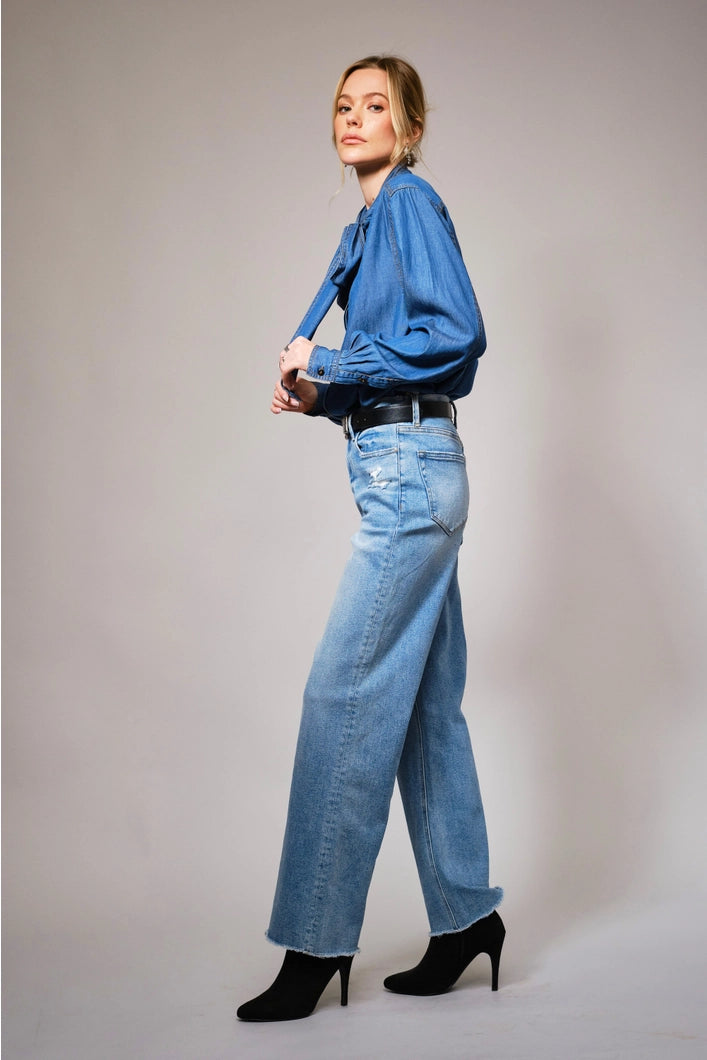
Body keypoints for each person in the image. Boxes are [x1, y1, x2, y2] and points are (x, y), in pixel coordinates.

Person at [237, 55, 504, 1023]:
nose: (354, 118)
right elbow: (392, 370)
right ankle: (466, 916)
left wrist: (335, 355)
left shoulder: (406, 205)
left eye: (375, 104)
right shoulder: (364, 226)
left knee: (342, 694)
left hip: (408, 480)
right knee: (426, 717)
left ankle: (312, 942)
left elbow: (458, 335)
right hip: (397, 464)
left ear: (412, 124)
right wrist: (320, 392)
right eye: (342, 106)